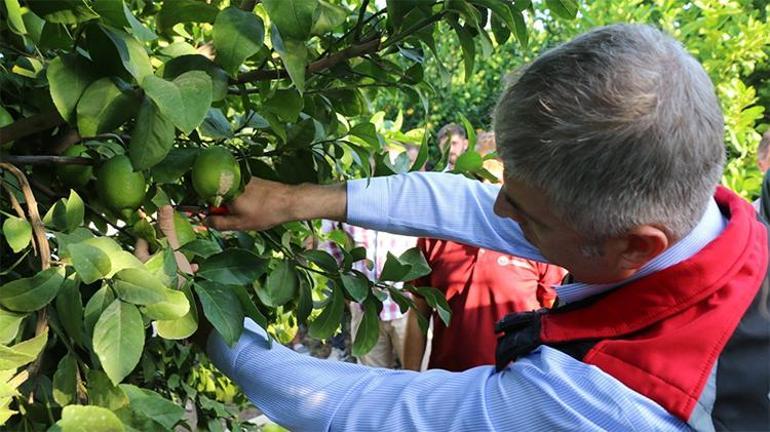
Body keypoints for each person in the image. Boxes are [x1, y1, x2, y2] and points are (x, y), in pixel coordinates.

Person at [202, 24, 769, 431]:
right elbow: (469, 205)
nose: (498, 213)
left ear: (635, 245)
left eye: (527, 215)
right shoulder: (720, 230)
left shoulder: (612, 401)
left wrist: (202, 311)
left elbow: (359, 406)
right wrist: (297, 200)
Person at [402, 236, 566, 371]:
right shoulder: (434, 239)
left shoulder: (532, 242)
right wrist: (410, 376)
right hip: (447, 379)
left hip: (513, 380)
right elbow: (418, 315)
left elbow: (554, 318)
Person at [319, 219, 415, 368]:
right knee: (372, 379)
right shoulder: (347, 198)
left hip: (407, 306)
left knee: (418, 375)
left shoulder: (410, 198)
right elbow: (328, 237)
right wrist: (345, 284)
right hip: (363, 308)